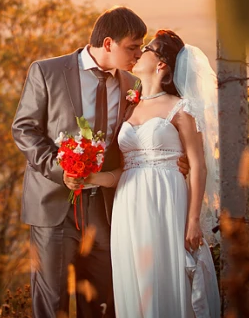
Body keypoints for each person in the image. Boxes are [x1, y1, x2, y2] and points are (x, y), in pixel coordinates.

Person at [11, 8, 189, 318]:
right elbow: (23, 129)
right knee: (51, 302)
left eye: (141, 47)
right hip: (53, 205)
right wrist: (59, 169)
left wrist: (176, 160)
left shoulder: (132, 86)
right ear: (108, 43)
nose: (138, 54)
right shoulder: (47, 71)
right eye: (132, 47)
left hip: (107, 209)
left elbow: (142, 138)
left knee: (102, 302)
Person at [83, 29, 221, 318]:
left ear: (161, 64)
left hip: (166, 201)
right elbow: (123, 170)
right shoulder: (129, 107)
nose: (138, 53)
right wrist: (90, 178)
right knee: (135, 280)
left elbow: (198, 165)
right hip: (128, 205)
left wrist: (193, 220)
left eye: (145, 49)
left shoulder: (182, 109)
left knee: (164, 275)